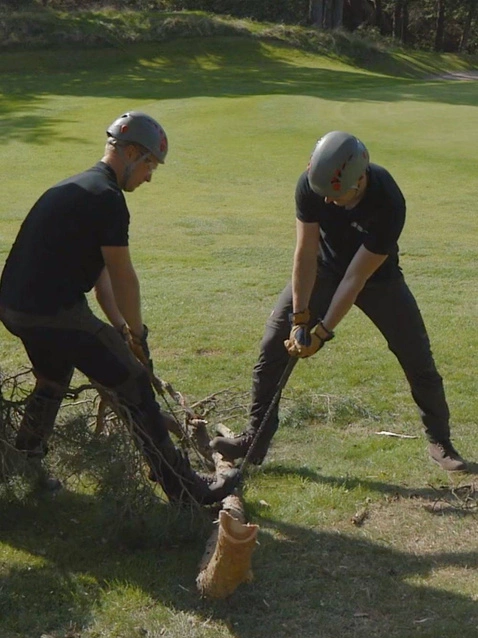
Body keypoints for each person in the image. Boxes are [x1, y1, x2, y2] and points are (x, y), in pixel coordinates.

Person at [0, 110, 238, 504]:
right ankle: (185, 487)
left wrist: (121, 330)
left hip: (16, 308)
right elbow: (123, 275)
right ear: (130, 153)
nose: (149, 177)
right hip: (51, 311)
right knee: (132, 381)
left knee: (52, 379)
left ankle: (24, 463)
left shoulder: (82, 188)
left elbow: (100, 280)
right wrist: (139, 334)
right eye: (149, 165)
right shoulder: (107, 199)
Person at [211, 130, 468, 473]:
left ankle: (441, 441)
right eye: (323, 194)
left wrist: (323, 332)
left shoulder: (389, 200)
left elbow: (356, 279)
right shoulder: (312, 185)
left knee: (417, 355)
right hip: (323, 268)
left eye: (336, 194)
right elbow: (304, 254)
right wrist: (300, 317)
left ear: (359, 178)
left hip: (378, 278)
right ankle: (255, 440)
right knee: (273, 342)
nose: (328, 201)